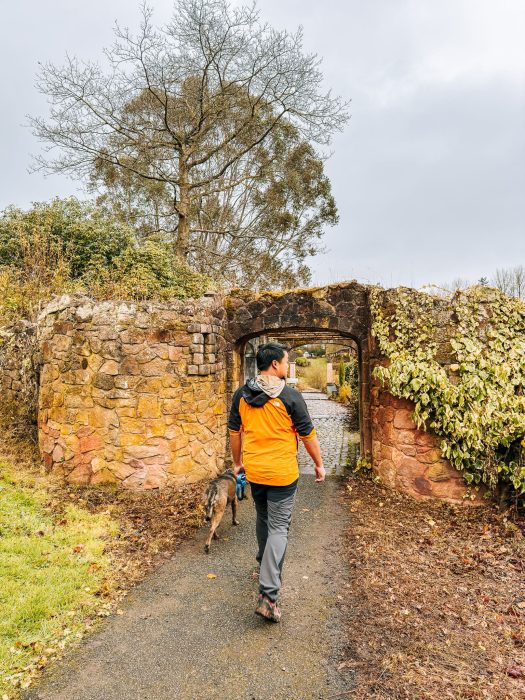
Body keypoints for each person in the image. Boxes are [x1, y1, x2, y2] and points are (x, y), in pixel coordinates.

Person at [228, 342, 326, 622]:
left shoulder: (242, 396)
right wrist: (318, 465)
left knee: (263, 519)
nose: (286, 365)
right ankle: (268, 596)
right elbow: (308, 435)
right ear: (274, 365)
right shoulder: (290, 397)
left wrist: (237, 464)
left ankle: (264, 564)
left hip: (256, 472)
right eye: (285, 361)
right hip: (282, 474)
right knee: (279, 527)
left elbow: (235, 432)